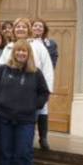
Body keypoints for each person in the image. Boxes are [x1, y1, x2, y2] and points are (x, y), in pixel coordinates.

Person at [0, 18, 54, 150]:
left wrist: (46, 90)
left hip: (31, 91)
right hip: (10, 93)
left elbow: (47, 69)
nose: (20, 29)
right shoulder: (9, 47)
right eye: (17, 27)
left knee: (28, 126)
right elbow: (0, 68)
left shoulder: (38, 47)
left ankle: (42, 138)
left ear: (28, 29)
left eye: (23, 27)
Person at [31, 18, 59, 151]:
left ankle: (43, 138)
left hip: (42, 80)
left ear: (44, 30)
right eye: (35, 26)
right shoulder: (27, 42)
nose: (37, 28)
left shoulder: (50, 44)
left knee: (43, 109)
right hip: (29, 80)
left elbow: (52, 62)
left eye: (40, 27)